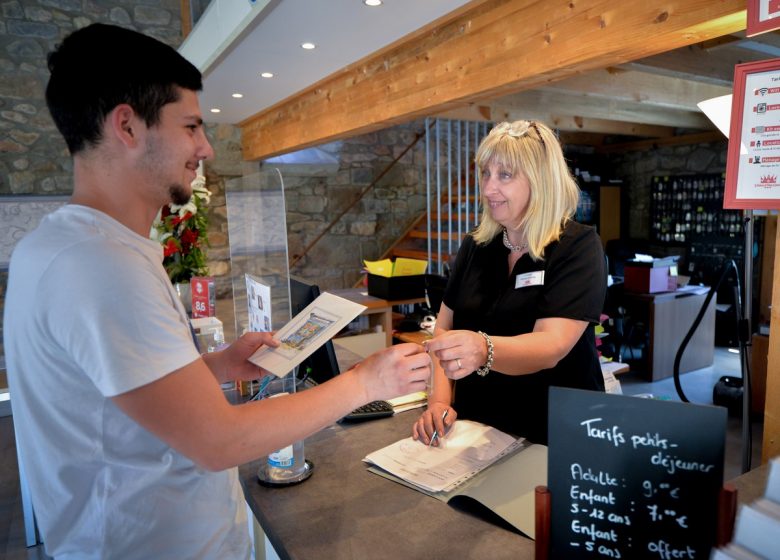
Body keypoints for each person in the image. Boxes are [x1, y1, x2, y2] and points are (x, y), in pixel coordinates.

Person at [3, 24, 430, 560]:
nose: (204, 147)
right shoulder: (101, 265)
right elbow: (218, 440)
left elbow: (110, 398)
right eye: (190, 127)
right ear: (128, 127)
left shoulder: (67, 246)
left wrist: (216, 368)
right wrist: (367, 381)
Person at [412, 120, 606, 447]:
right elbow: (443, 332)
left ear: (541, 180)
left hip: (552, 434)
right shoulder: (476, 247)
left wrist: (482, 348)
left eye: (505, 175)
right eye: (486, 174)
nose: (488, 188)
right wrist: (439, 402)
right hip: (479, 431)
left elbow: (550, 347)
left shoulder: (579, 247)